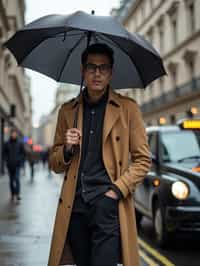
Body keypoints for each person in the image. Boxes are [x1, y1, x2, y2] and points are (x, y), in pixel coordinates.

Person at [48, 43, 151, 266]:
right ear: (82, 71)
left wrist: (116, 191)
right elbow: (54, 164)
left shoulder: (127, 109)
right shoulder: (68, 111)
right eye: (91, 67)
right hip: (75, 208)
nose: (97, 73)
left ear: (111, 72)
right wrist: (66, 148)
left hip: (107, 206)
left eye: (103, 68)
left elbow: (143, 159)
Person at [3, 128, 25, 202]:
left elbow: (23, 153)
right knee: (11, 181)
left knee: (17, 179)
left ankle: (18, 194)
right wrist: (7, 160)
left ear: (16, 134)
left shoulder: (20, 143)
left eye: (15, 133)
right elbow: (4, 153)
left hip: (17, 165)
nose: (14, 135)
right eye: (13, 133)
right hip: (10, 165)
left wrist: (20, 160)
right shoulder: (7, 143)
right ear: (11, 134)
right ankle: (12, 194)